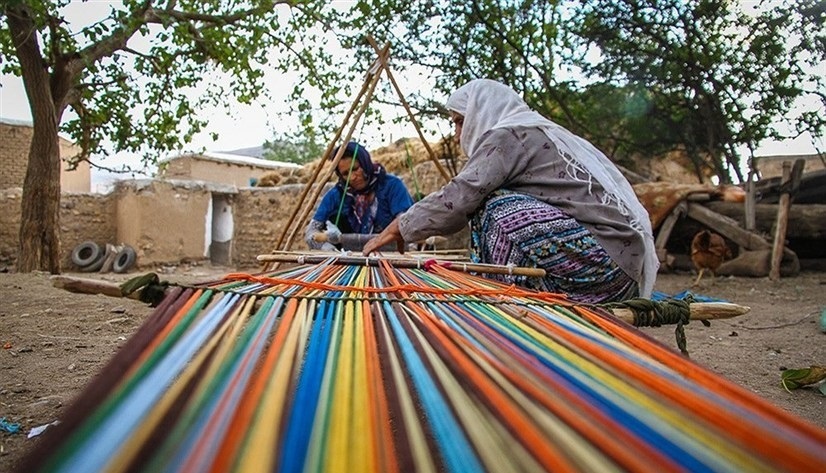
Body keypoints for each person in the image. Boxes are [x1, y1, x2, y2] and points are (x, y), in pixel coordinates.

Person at [363, 79, 658, 303]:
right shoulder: (532, 133)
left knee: (493, 205)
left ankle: (496, 299)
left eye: (459, 122)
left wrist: (400, 226)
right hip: (615, 272)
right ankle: (527, 294)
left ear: (482, 111)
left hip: (602, 268)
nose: (456, 134)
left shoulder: (510, 135)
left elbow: (461, 195)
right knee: (492, 202)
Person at [305, 141, 415, 251]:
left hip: (389, 258)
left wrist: (342, 239)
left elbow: (405, 226)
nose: (352, 177)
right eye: (345, 174)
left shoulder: (392, 186)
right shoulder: (336, 195)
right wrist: (328, 249)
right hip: (348, 260)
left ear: (365, 163)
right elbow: (311, 233)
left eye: (355, 169)